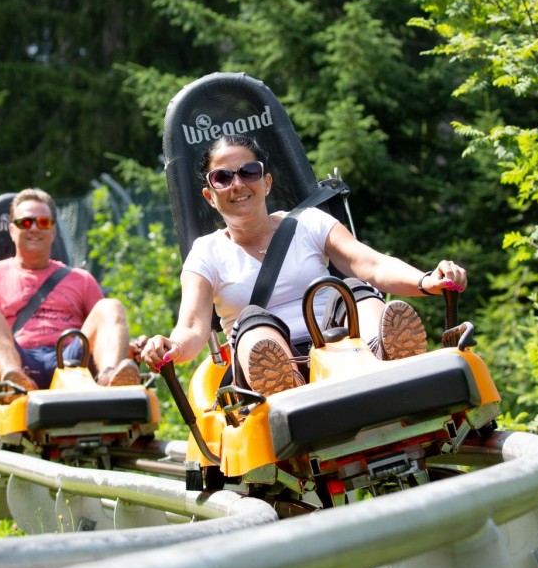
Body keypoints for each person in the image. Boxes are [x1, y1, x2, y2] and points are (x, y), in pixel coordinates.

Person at [140, 134, 467, 396]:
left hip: (341, 340)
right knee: (254, 323)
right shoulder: (206, 253)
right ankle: (287, 386)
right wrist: (173, 347)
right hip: (263, 356)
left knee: (355, 291)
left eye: (248, 172)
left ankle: (385, 353)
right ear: (210, 195)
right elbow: (194, 326)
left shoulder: (309, 223)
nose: (237, 183)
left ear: (266, 182)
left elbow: (370, 264)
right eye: (222, 177)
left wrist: (426, 281)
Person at [0, 188, 142, 393]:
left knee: (110, 306)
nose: (34, 228)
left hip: (74, 361)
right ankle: (15, 383)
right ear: (12, 230)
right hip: (18, 358)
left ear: (53, 231)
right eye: (25, 222)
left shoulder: (81, 279)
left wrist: (132, 346)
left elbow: (107, 330)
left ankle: (110, 378)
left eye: (43, 222)